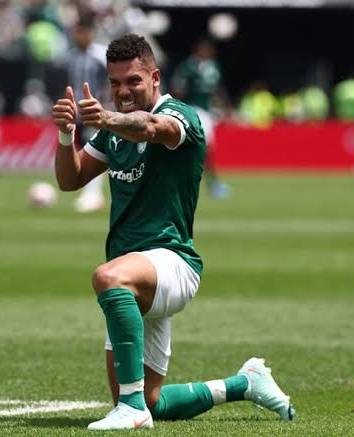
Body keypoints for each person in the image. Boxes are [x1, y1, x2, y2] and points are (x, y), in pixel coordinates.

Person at [52, 33, 295, 431]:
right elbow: (70, 179)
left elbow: (151, 128)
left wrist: (106, 118)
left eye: (133, 81)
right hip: (136, 275)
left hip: (172, 262)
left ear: (155, 77)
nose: (123, 91)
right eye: (115, 83)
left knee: (108, 278)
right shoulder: (115, 130)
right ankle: (244, 383)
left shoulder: (182, 115)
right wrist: (66, 134)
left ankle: (130, 411)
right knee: (152, 401)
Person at [171, 38, 230, 199]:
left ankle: (212, 183)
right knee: (201, 147)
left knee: (204, 149)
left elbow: (217, 88)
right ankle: (212, 183)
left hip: (206, 111)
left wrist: (225, 105)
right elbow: (178, 88)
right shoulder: (188, 66)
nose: (207, 53)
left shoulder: (214, 67)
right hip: (193, 109)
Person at [65, 14, 110, 213]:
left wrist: (105, 106)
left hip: (95, 109)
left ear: (90, 33)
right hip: (77, 111)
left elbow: (110, 82)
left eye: (82, 32)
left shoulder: (100, 56)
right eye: (77, 33)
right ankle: (91, 192)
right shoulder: (72, 56)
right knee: (82, 149)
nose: (78, 36)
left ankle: (93, 194)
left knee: (94, 149)